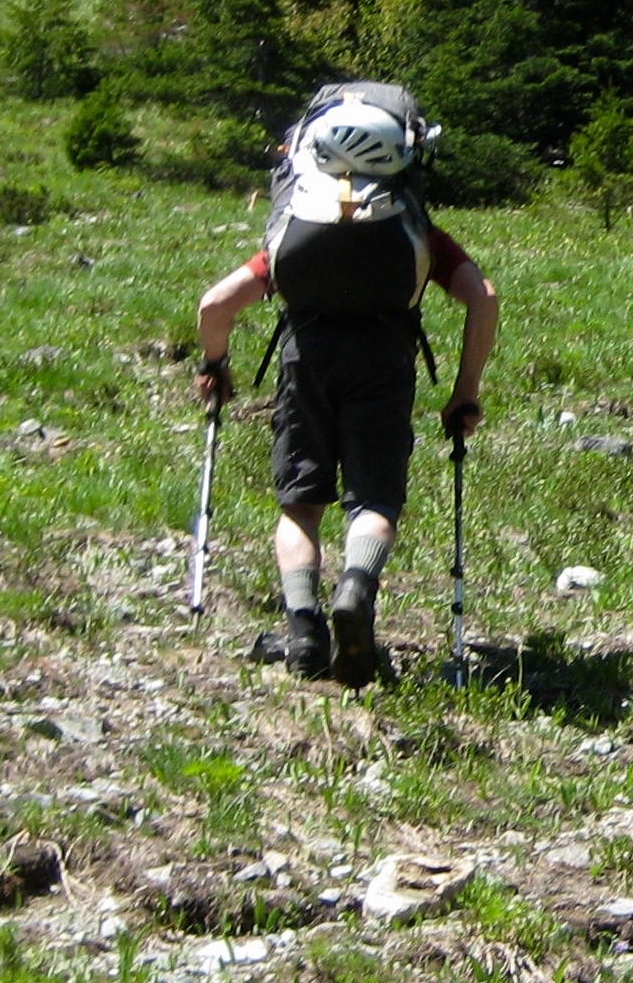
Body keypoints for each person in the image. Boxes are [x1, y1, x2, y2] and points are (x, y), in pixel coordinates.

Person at [193, 90, 499, 684]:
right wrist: (464, 393)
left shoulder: (301, 218)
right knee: (375, 501)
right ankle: (356, 590)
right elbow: (482, 299)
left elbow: (214, 304)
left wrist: (215, 365)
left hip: (305, 360)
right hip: (385, 362)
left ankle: (304, 632)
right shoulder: (417, 232)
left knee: (301, 504)